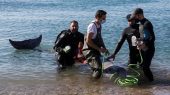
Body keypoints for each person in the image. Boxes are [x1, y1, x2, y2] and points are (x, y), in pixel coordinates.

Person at [130, 8, 155, 82]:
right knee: (142, 66)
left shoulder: (147, 23)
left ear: (139, 15)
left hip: (149, 49)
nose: (134, 18)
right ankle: (146, 83)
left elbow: (152, 37)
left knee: (145, 68)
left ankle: (152, 83)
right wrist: (139, 41)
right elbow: (143, 37)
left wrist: (144, 44)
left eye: (135, 17)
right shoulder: (140, 24)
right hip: (144, 50)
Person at [82, 10, 108, 79]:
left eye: (105, 18)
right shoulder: (92, 26)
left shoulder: (99, 25)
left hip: (94, 49)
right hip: (88, 50)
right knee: (98, 69)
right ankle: (93, 86)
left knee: (99, 67)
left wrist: (104, 47)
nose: (104, 20)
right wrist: (99, 49)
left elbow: (100, 38)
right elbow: (88, 41)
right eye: (103, 18)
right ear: (97, 17)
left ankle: (93, 83)